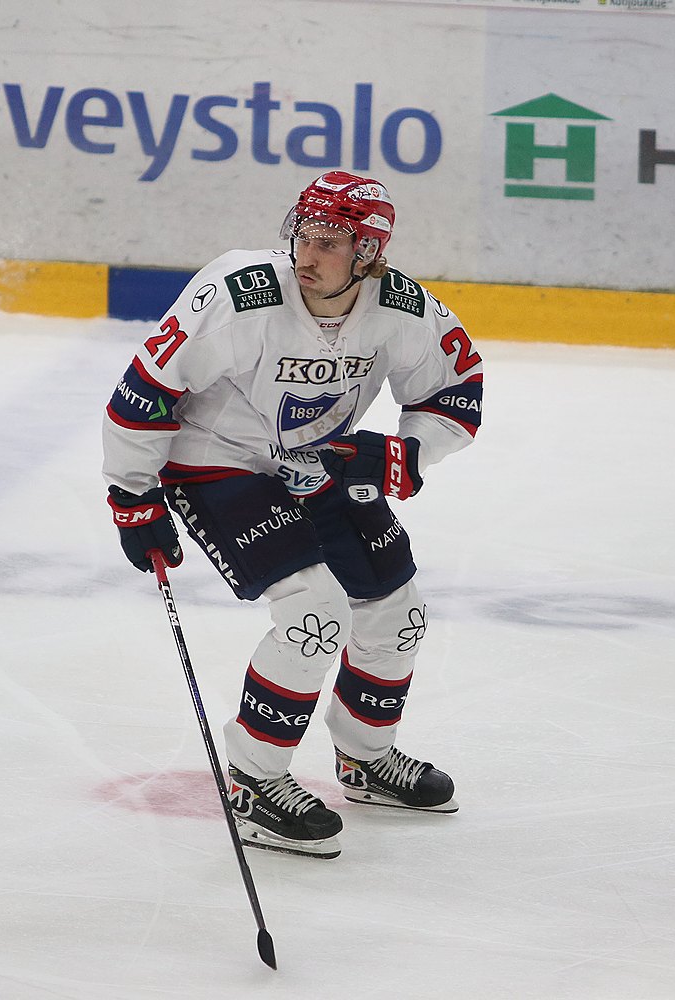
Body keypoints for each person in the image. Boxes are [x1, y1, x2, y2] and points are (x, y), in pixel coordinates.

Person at [102, 171, 483, 858]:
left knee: (398, 611)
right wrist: (132, 494)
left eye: (329, 241)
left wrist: (405, 453)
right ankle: (253, 778)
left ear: (368, 252)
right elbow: (146, 390)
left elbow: (456, 390)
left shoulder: (402, 308)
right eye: (302, 235)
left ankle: (366, 760)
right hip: (212, 460)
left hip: (312, 461)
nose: (307, 254)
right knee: (316, 615)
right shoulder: (239, 296)